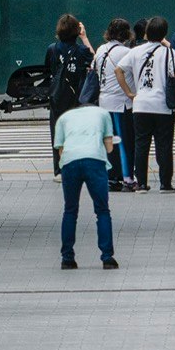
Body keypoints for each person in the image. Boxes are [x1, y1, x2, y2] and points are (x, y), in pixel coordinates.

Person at [52, 98, 120, 270]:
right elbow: (109, 147)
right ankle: (107, 257)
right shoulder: (102, 113)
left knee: (70, 210)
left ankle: (67, 258)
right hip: (94, 161)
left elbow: (60, 150)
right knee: (102, 210)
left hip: (70, 162)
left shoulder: (64, 117)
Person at [120, 16, 175, 193]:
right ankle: (165, 184)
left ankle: (141, 183)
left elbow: (119, 69)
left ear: (146, 33)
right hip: (163, 106)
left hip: (141, 105)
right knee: (164, 145)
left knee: (141, 145)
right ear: (164, 34)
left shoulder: (135, 51)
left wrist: (128, 92)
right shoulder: (169, 52)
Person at [43, 14, 93, 176]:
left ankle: (59, 169)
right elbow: (94, 60)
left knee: (57, 133)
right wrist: (84, 38)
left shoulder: (52, 49)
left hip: (57, 96)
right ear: (77, 31)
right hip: (76, 97)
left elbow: (49, 71)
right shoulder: (81, 51)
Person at [93, 17, 136, 189]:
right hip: (121, 102)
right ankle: (126, 178)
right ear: (126, 33)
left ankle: (110, 177)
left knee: (109, 141)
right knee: (124, 142)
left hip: (104, 101)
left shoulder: (101, 49)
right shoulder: (125, 52)